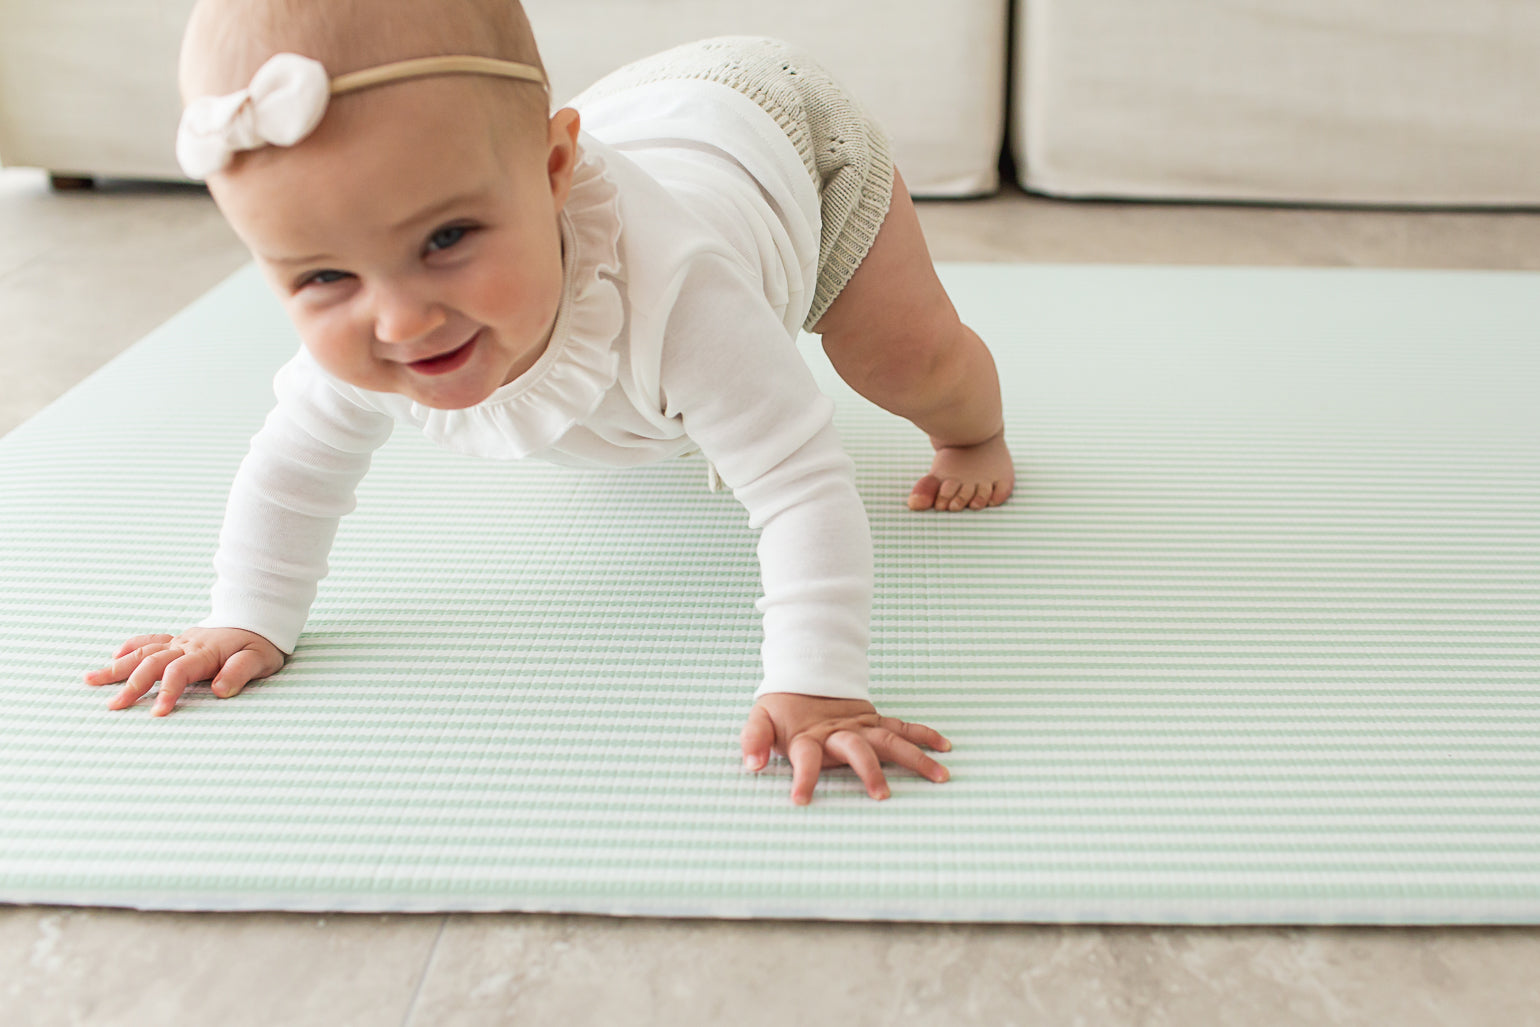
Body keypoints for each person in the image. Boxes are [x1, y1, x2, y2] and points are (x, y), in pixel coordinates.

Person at [84, 0, 1015, 804]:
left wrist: (818, 686)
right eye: (322, 275)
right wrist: (246, 613)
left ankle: (976, 432)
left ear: (555, 168)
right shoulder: (382, 298)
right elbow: (294, 470)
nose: (402, 320)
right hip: (634, 110)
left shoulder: (681, 292)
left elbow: (799, 486)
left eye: (447, 238)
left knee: (906, 360)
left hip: (780, 139)